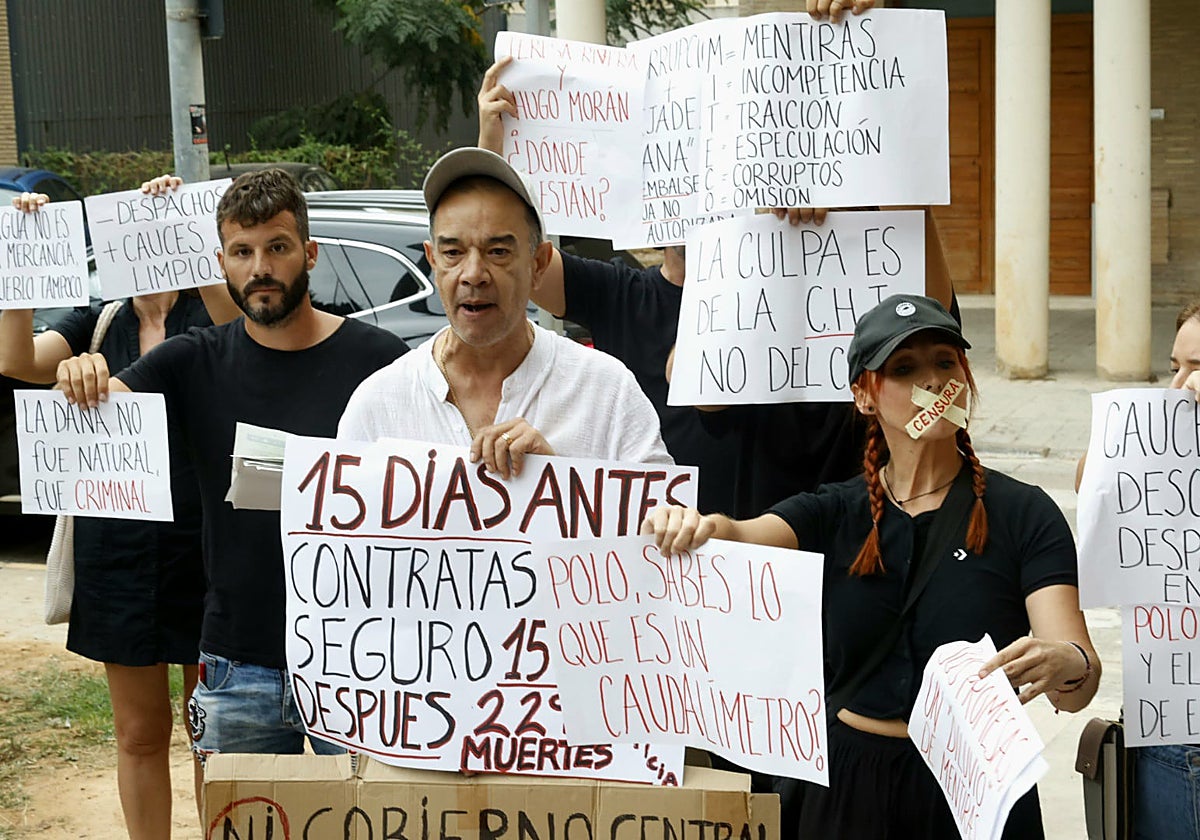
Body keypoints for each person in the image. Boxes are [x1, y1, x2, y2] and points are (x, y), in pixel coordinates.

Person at [643, 293, 1101, 839]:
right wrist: (694, 527)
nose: (931, 382)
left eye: (945, 362)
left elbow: (1078, 681)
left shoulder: (1025, 513)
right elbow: (740, 535)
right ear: (864, 395)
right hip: (844, 792)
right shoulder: (833, 510)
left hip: (977, 791)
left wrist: (1065, 662)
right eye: (903, 369)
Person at [53, 169, 410, 762]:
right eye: (242, 252)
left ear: (310, 253)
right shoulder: (190, 361)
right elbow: (96, 417)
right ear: (220, 263)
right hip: (236, 662)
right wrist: (80, 374)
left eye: (277, 247)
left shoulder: (379, 360)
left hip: (359, 660)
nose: (260, 267)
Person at [0, 179, 224, 839]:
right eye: (136, 231)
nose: (148, 244)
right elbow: (16, 359)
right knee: (138, 733)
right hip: (118, 550)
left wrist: (191, 226)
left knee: (212, 728)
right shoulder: (99, 320)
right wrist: (22, 250)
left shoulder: (209, 312)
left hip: (206, 545)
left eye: (163, 231)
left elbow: (244, 335)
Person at [338, 146, 671, 469]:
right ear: (432, 260)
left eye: (497, 252)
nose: (473, 275)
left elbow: (662, 517)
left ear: (538, 263)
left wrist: (560, 485)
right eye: (453, 253)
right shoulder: (378, 405)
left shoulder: (606, 391)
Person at [1077, 300, 1200, 840]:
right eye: (1176, 366)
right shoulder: (1169, 447)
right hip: (1172, 733)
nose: (1182, 385)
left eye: (1199, 368)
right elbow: (1089, 485)